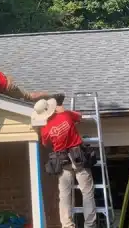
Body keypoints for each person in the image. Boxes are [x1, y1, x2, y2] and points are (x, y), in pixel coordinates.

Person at [31, 97, 97, 228]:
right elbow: (79, 117)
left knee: (65, 195)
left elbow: (45, 143)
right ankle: (90, 225)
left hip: (62, 161)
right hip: (78, 157)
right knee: (87, 192)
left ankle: (67, 225)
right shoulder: (66, 115)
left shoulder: (45, 129)